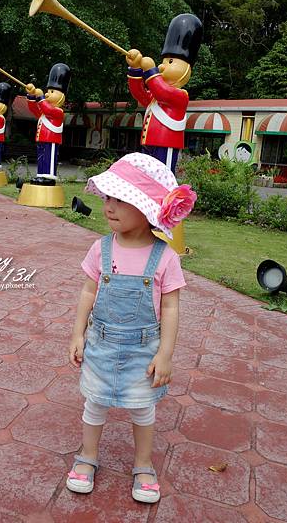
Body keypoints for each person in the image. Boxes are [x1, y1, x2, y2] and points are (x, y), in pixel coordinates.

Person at [67, 152, 197, 503]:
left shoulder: (165, 257)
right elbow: (87, 291)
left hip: (144, 349)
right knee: (94, 403)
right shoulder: (100, 248)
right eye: (108, 197)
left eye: (121, 200)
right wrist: (77, 333)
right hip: (101, 342)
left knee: (143, 408)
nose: (109, 207)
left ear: (148, 209)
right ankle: (87, 457)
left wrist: (165, 354)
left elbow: (170, 307)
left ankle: (143, 464)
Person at [126, 14, 202, 173]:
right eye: (164, 61)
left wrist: (151, 71)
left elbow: (163, 92)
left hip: (166, 143)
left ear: (187, 70)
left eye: (171, 62)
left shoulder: (180, 96)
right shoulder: (155, 94)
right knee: (147, 177)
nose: (162, 66)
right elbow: (139, 94)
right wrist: (135, 70)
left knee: (163, 177)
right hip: (148, 143)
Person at [26, 63, 71, 185]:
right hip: (42, 139)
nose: (47, 94)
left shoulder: (58, 111)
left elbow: (47, 109)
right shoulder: (44, 109)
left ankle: (49, 177)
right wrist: (31, 96)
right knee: (41, 157)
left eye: (52, 91)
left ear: (61, 96)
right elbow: (34, 109)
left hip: (51, 139)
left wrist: (40, 97)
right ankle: (41, 175)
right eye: (47, 91)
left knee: (49, 157)